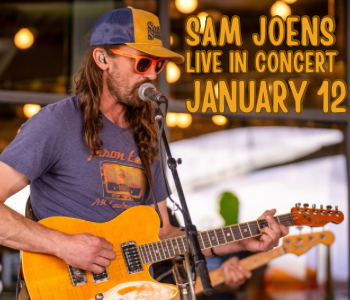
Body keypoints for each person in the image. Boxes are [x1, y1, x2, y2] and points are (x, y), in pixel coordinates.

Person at [0, 7, 288, 295]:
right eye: (142, 63)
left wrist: (242, 241)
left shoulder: (146, 137)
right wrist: (63, 245)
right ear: (103, 59)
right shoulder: (56, 123)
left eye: (158, 65)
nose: (151, 74)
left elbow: (163, 233)